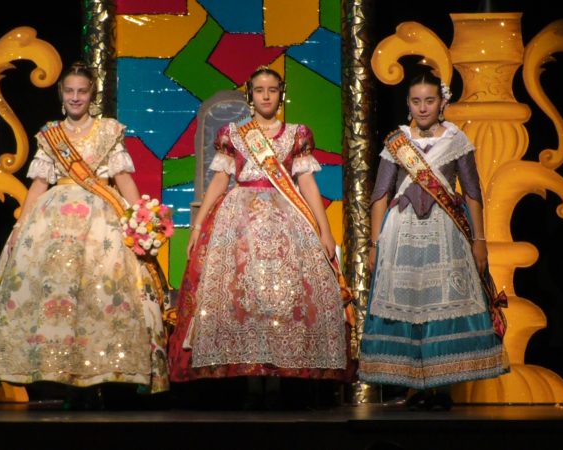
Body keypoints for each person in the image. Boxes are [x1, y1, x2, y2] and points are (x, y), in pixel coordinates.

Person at [0, 62, 169, 407]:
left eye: (82, 91)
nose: (76, 97)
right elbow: (39, 183)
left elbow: (123, 179)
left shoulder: (108, 130)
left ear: (91, 94)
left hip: (100, 224)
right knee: (60, 300)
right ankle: (67, 382)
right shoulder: (51, 134)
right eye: (70, 91)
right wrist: (20, 226)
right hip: (54, 225)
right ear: (61, 94)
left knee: (99, 298)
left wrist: (140, 217)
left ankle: (96, 382)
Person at [168, 67, 352, 408]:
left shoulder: (296, 134)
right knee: (244, 299)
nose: (266, 96)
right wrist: (197, 226)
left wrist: (325, 230)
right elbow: (220, 180)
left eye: (272, 90)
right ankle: (250, 383)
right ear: (250, 95)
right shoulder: (233, 134)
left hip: (287, 221)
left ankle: (281, 382)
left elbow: (306, 183)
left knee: (285, 299)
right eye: (259, 90)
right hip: (240, 223)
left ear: (281, 93)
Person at [360, 72, 507, 411]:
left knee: (443, 305)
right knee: (409, 304)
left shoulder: (456, 140)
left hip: (446, 232)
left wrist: (480, 240)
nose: (423, 107)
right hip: (402, 234)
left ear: (442, 102)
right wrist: (374, 244)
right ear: (408, 103)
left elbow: (472, 193)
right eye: (416, 101)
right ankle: (414, 385)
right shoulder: (397, 142)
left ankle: (442, 387)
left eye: (429, 100)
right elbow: (380, 195)